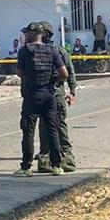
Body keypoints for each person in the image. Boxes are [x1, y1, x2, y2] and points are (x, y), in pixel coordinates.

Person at [16, 22, 69, 176]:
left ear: (33, 34)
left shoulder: (24, 51)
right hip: (49, 94)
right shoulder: (52, 51)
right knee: (52, 129)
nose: (25, 36)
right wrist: (52, 81)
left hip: (32, 95)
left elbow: (19, 73)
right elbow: (64, 74)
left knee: (28, 131)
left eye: (27, 33)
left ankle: (26, 167)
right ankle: (56, 166)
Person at [36, 23, 78, 173]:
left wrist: (72, 91)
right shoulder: (36, 51)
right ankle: (46, 158)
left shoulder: (58, 51)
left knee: (59, 124)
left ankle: (66, 157)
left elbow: (69, 71)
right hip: (44, 92)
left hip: (55, 91)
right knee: (44, 126)